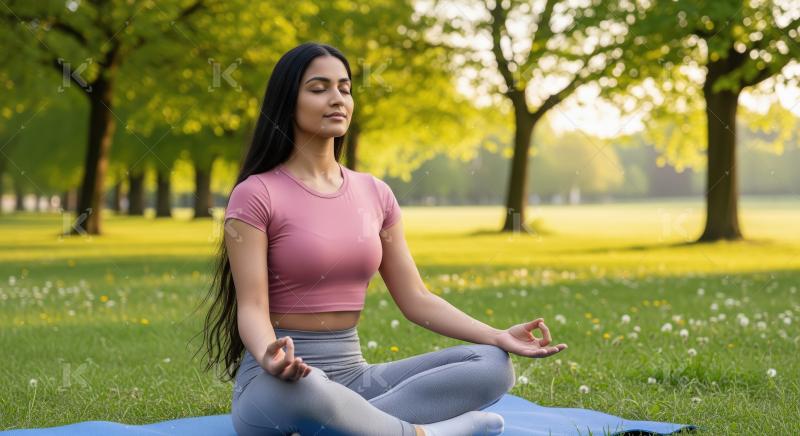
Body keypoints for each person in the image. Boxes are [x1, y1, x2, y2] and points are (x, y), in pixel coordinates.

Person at [198, 42, 567, 436]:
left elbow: (416, 299)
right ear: (288, 102)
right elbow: (252, 307)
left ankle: (355, 426)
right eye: (319, 88)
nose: (337, 98)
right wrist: (269, 356)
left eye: (344, 87)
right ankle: (424, 432)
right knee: (311, 389)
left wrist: (496, 335)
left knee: (493, 365)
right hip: (279, 386)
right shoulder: (256, 194)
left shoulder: (375, 193)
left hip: (358, 381)